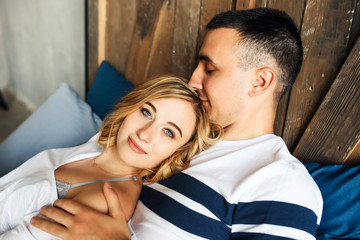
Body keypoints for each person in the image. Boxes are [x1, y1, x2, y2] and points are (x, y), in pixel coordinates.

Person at [31, 8, 323, 240]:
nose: (193, 81)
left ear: (260, 81)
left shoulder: (279, 182)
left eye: (210, 69)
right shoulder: (175, 134)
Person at [0, 75, 222, 239]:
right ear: (131, 109)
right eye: (146, 112)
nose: (144, 134)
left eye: (168, 132)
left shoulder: (107, 200)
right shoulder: (103, 144)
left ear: (176, 154)